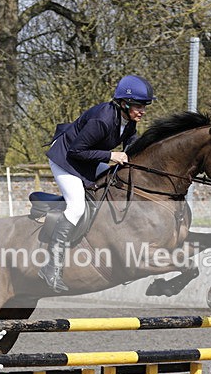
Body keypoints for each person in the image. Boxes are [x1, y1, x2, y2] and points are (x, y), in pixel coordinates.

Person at [39, 74, 156, 292]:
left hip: (88, 158)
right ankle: (50, 267)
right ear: (124, 103)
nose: (143, 111)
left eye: (145, 106)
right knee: (76, 207)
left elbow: (131, 144)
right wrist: (111, 156)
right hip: (66, 159)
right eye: (139, 106)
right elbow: (76, 151)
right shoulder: (102, 119)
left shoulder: (128, 121)